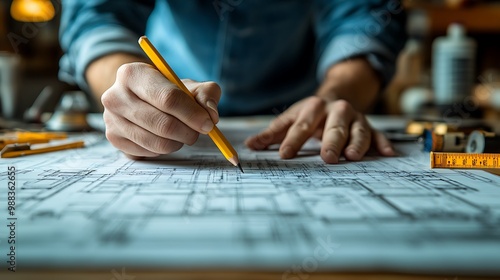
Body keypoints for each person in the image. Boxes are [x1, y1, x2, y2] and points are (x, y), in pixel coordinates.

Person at [59, 0, 406, 164]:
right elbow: (97, 15)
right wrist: (131, 89)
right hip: (172, 101)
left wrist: (336, 95)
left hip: (304, 117)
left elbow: (365, 16)